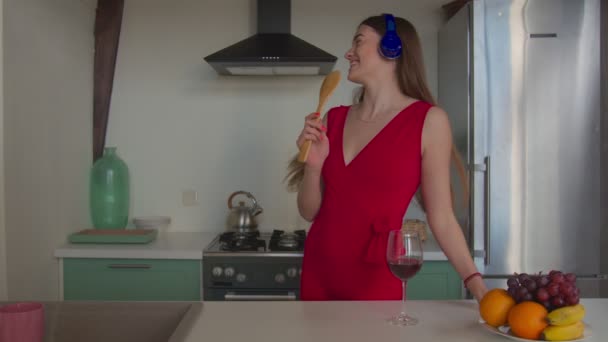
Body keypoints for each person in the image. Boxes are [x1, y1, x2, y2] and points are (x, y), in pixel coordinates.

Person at [285, 14, 488, 302]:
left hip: (377, 275)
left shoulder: (428, 121)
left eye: (358, 42)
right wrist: (313, 167)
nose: (348, 53)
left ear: (392, 47)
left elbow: (441, 217)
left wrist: (477, 286)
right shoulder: (334, 118)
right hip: (320, 271)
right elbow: (309, 212)